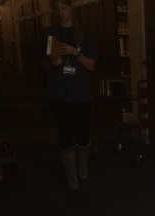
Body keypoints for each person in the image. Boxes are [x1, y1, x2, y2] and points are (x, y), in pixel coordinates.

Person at [36, 0, 97, 190]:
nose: (61, 13)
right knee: (64, 135)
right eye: (57, 10)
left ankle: (82, 162)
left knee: (82, 134)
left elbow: (91, 66)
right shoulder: (48, 33)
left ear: (71, 8)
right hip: (58, 92)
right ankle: (71, 174)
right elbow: (42, 63)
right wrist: (52, 63)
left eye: (64, 9)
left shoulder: (83, 34)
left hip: (80, 93)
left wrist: (75, 53)